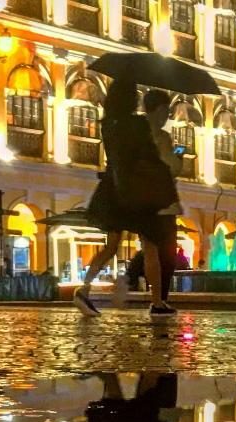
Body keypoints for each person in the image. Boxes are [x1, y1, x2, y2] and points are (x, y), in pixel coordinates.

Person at [74, 79, 175, 317]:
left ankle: (83, 289)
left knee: (110, 246)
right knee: (150, 245)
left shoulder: (107, 124)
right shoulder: (137, 124)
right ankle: (158, 302)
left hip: (112, 187)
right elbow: (149, 156)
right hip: (137, 189)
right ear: (132, 99)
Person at [143, 89, 184, 306]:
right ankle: (160, 300)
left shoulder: (136, 134)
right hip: (164, 203)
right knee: (166, 256)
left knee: (150, 252)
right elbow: (172, 167)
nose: (167, 116)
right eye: (166, 111)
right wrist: (179, 155)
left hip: (142, 201)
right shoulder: (161, 137)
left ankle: (156, 299)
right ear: (158, 110)